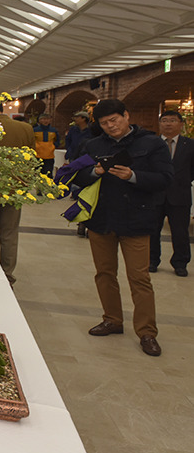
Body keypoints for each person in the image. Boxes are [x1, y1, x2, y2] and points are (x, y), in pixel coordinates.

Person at [73, 99, 172, 357]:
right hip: (102, 219)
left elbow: (165, 179)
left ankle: (147, 332)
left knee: (139, 278)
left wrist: (133, 176)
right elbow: (78, 176)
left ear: (126, 116)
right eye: (105, 123)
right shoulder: (93, 145)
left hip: (136, 220)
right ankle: (112, 320)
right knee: (104, 273)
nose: (110, 127)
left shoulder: (151, 143)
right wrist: (93, 172)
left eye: (114, 120)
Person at [0, 105, 36, 285]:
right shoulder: (26, 128)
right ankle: (8, 274)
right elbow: (32, 158)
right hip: (15, 189)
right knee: (10, 233)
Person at [149, 110, 194, 277]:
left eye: (172, 121)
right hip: (155, 194)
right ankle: (152, 260)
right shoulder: (152, 144)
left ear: (181, 124)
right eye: (164, 120)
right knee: (152, 230)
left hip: (180, 195)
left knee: (180, 232)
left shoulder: (190, 145)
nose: (168, 124)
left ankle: (180, 263)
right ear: (160, 124)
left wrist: (182, 181)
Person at [33, 112, 60, 177]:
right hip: (37, 156)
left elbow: (57, 140)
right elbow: (31, 141)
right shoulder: (35, 130)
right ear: (39, 120)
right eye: (44, 119)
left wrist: (53, 146)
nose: (46, 121)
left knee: (49, 173)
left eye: (47, 119)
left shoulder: (53, 130)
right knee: (37, 174)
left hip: (49, 156)